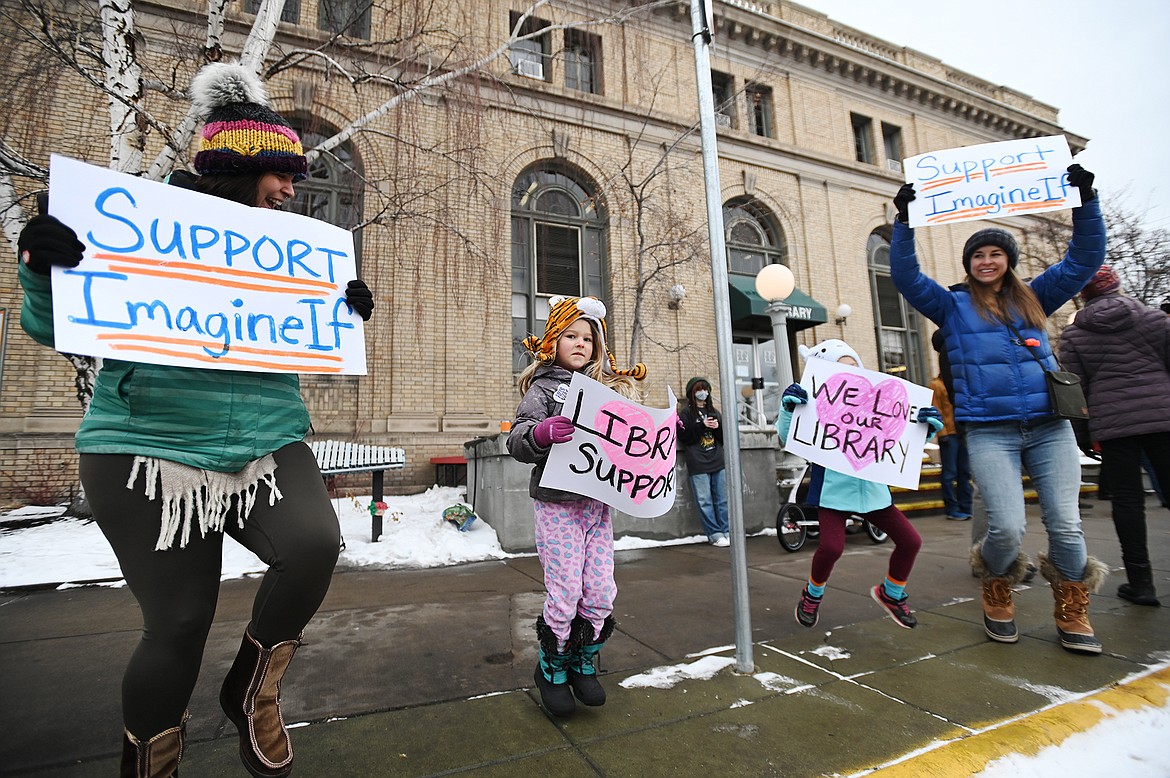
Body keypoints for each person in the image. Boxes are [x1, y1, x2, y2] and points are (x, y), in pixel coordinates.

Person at [16, 63, 375, 778]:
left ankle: (252, 687)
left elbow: (303, 339)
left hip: (265, 440)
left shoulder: (283, 252)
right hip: (145, 447)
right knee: (178, 624)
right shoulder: (139, 228)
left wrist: (339, 315)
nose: (290, 190)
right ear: (238, 171)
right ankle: (151, 765)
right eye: (279, 173)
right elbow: (59, 327)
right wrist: (43, 269)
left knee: (313, 544)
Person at [890, 164, 1108, 655]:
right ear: (968, 264)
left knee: (1066, 526)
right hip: (991, 432)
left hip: (1049, 428)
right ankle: (996, 584)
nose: (987, 261)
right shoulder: (950, 306)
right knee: (1006, 527)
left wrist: (1085, 202)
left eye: (996, 254)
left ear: (1008, 260)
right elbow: (905, 275)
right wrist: (903, 223)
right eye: (978, 255)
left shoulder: (1035, 297)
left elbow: (1084, 258)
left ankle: (1072, 608)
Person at [507, 295, 646, 718]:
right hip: (558, 507)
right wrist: (542, 433)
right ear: (554, 339)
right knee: (565, 593)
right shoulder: (543, 389)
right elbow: (517, 439)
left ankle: (583, 661)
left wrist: (658, 432)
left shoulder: (605, 393)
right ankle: (552, 669)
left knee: (601, 592)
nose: (581, 343)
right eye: (571, 334)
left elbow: (630, 441)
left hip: (597, 508)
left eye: (589, 338)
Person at [776, 339, 944, 630]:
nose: (851, 373)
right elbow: (788, 436)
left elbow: (898, 439)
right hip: (834, 493)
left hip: (873, 492)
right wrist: (789, 410)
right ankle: (811, 596)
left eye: (854, 366)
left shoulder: (877, 405)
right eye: (842, 369)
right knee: (831, 548)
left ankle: (891, 593)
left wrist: (924, 430)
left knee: (911, 541)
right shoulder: (817, 405)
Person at [1060, 265, 1170, 607]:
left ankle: (1141, 582)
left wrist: (1082, 436)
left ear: (1084, 293)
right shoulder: (1156, 320)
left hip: (1114, 425)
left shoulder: (1075, 335)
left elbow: (1074, 390)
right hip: (1163, 417)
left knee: (1127, 502)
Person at [678, 376, 731, 546]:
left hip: (717, 460)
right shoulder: (685, 414)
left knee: (722, 499)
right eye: (699, 390)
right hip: (698, 462)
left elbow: (723, 439)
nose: (703, 393)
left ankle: (726, 530)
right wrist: (702, 425)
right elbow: (684, 437)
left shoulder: (714, 412)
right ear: (692, 393)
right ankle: (714, 534)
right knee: (705, 501)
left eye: (705, 389)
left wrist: (716, 428)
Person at [929, 370, 973, 521]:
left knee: (964, 472)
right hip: (949, 434)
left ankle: (966, 507)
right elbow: (937, 409)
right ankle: (952, 509)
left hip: (962, 432)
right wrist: (942, 434)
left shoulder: (959, 384)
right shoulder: (937, 385)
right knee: (949, 473)